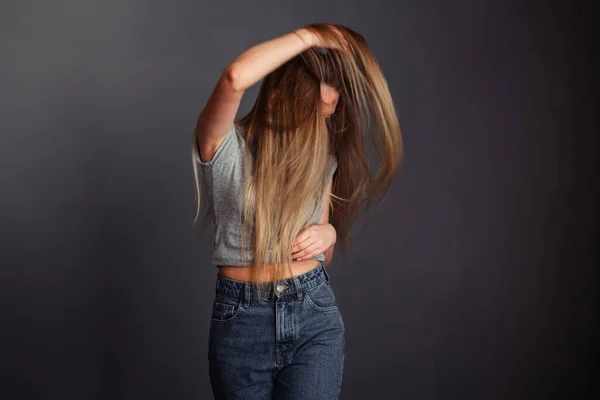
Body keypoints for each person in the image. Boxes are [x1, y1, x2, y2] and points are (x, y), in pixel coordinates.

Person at [191, 23, 403, 399]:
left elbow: (322, 256)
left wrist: (330, 233)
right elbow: (235, 77)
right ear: (278, 100)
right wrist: (310, 37)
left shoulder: (323, 161)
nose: (322, 125)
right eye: (314, 113)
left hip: (312, 313)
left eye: (328, 115)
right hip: (240, 322)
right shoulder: (223, 144)